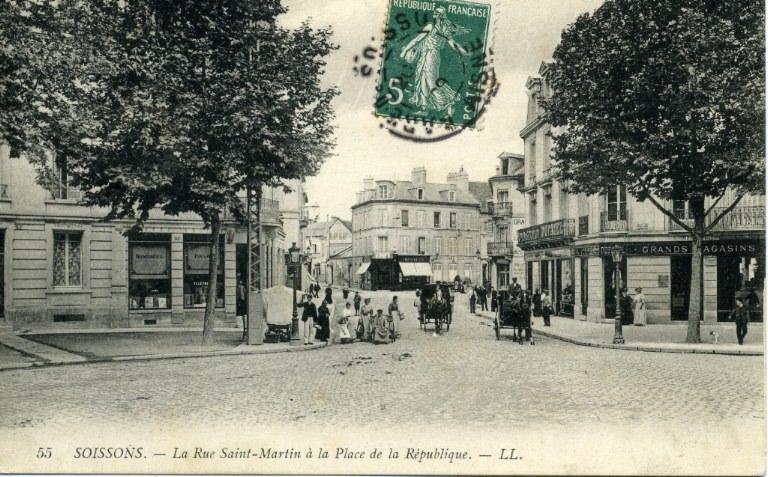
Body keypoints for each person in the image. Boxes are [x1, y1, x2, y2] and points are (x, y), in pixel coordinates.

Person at [399, 6, 470, 117]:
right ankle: (424, 108)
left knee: (432, 83)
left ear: (441, 15)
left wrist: (461, 51)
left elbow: (452, 43)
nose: (435, 13)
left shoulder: (443, 29)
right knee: (422, 81)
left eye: (437, 12)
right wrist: (406, 50)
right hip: (424, 55)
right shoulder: (431, 26)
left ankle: (449, 104)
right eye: (435, 12)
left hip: (432, 56)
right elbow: (417, 39)